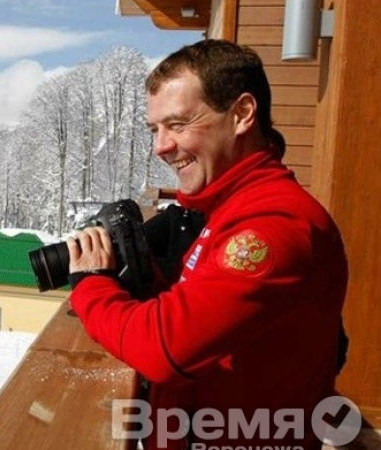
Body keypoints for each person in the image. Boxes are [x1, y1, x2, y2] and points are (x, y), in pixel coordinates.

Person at [66, 39, 349, 449]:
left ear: (242, 114)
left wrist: (92, 284)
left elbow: (164, 349)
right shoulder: (232, 211)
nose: (161, 146)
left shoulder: (273, 226)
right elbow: (213, 324)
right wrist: (147, 280)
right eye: (155, 129)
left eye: (179, 125)